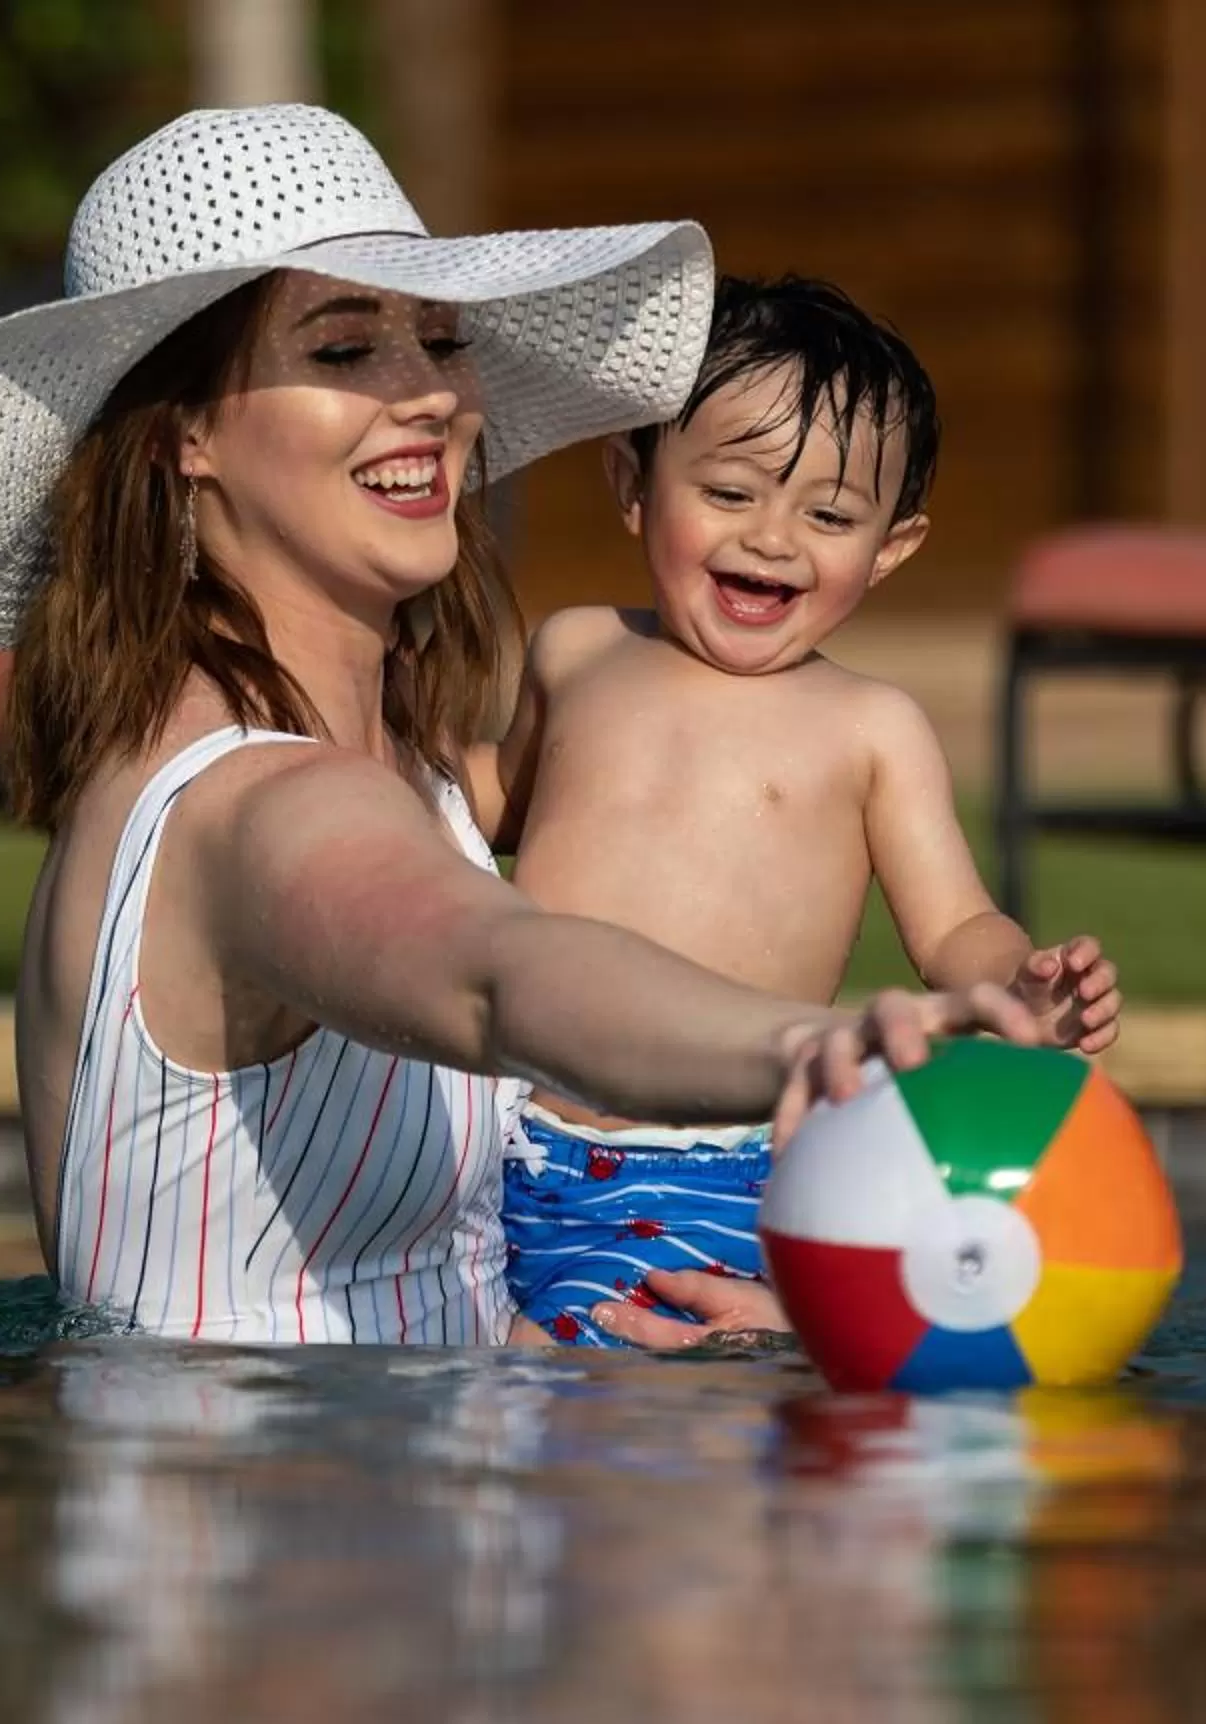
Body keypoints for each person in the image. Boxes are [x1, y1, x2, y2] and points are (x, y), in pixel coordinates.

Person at [0, 104, 1041, 1348]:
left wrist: (579, 1352)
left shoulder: (415, 777)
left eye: (441, 340)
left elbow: (403, 1288)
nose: (430, 393)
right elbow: (500, 977)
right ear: (186, 432)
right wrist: (820, 1044)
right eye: (346, 349)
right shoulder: (259, 800)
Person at [468, 276, 1123, 1346]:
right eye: (731, 493)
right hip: (510, 1143)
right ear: (633, 484)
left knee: (642, 1379)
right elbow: (503, 798)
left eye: (828, 516)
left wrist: (1017, 988)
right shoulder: (578, 650)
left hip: (728, 1161)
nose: (773, 539)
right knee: (498, 1366)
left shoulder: (870, 729)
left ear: (889, 548)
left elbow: (953, 925)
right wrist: (379, 761)